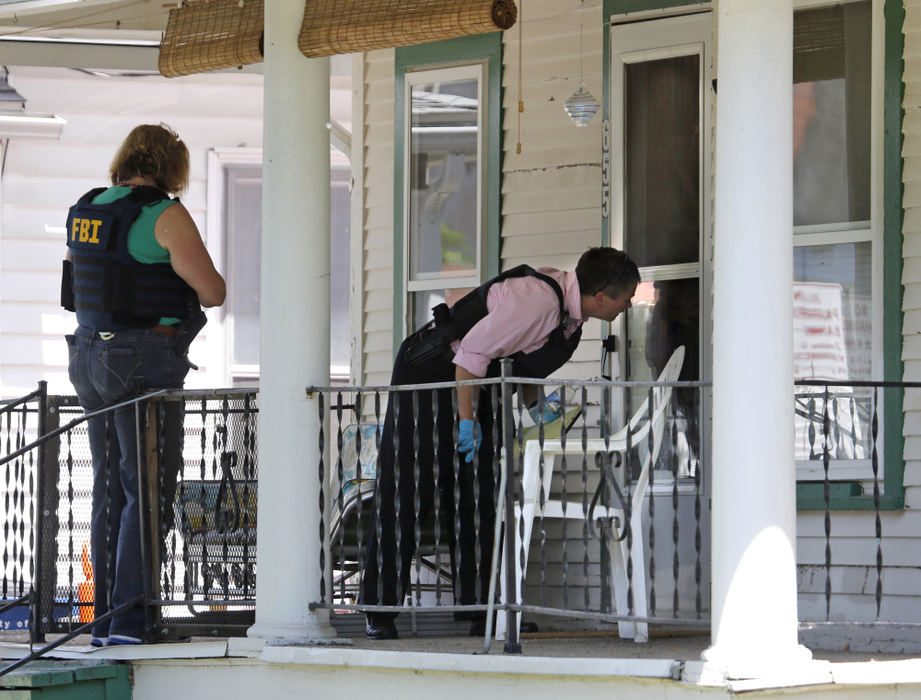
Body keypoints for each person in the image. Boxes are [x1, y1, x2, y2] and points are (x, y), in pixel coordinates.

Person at [362, 246, 639, 640]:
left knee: (479, 497)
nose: (627, 306)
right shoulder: (540, 302)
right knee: (407, 491)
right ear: (601, 296)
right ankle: (380, 609)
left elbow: (517, 358)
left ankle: (482, 609)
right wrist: (466, 423)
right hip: (430, 379)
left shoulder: (568, 314)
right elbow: (469, 356)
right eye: (625, 298)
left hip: (477, 386)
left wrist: (540, 411)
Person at [62, 124, 225, 646]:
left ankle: (106, 622)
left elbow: (75, 282)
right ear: (170, 167)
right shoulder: (164, 215)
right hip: (139, 360)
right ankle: (133, 621)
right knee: (148, 489)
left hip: (86, 354)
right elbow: (212, 291)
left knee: (109, 488)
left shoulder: (87, 208)